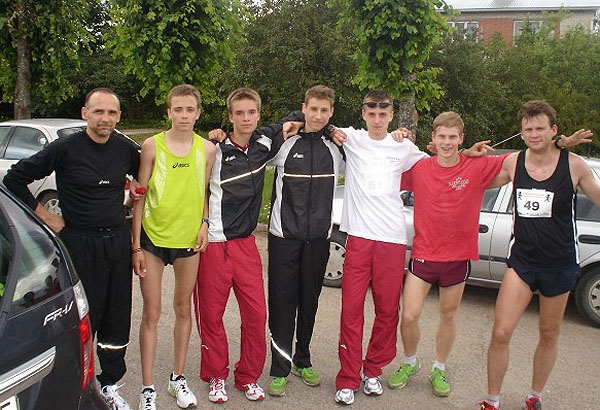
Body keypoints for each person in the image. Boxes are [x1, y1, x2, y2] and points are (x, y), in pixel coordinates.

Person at [3, 88, 140, 410]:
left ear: (119, 116)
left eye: (111, 113)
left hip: (117, 242)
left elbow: (149, 171)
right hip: (79, 242)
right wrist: (48, 218)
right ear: (84, 113)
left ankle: (110, 384)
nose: (105, 118)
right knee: (84, 317)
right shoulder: (65, 148)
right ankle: (80, 387)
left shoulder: (124, 149)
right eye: (98, 111)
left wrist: (134, 192)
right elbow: (14, 179)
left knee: (117, 317)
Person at [479, 100, 598, 410]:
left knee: (548, 332)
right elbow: (477, 183)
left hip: (559, 263)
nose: (534, 134)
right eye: (528, 129)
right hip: (522, 262)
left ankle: (534, 396)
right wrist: (464, 155)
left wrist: (563, 145)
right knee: (501, 332)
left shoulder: (574, 166)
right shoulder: (513, 163)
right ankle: (492, 400)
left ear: (553, 130)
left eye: (540, 129)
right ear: (521, 133)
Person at [387, 112, 508, 399]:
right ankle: (410, 361)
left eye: (452, 137)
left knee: (448, 315)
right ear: (433, 138)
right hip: (424, 254)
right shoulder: (420, 168)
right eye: (441, 136)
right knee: (409, 315)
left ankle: (439, 368)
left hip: (457, 257)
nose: (446, 142)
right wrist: (394, 140)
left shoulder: (475, 166)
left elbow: (516, 164)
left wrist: (558, 144)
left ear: (461, 138)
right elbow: (385, 170)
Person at [193, 88, 298, 403]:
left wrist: (321, 126)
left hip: (246, 245)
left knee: (256, 315)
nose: (246, 118)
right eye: (239, 113)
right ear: (230, 117)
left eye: (251, 112)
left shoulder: (264, 142)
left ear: (259, 114)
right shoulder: (214, 149)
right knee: (212, 316)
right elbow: (196, 189)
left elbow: (299, 115)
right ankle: (216, 375)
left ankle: (248, 376)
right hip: (215, 244)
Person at [330, 91, 428, 405]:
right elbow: (317, 122)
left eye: (382, 114)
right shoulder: (353, 139)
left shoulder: (403, 147)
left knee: (387, 310)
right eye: (371, 113)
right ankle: (348, 377)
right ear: (363, 114)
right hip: (359, 238)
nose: (376, 119)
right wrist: (330, 130)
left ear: (390, 115)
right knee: (351, 310)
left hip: (392, 240)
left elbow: (438, 166)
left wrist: (466, 155)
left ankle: (372, 370)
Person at [131, 84, 215, 410]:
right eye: (177, 109)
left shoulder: (207, 150)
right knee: (152, 312)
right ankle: (147, 388)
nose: (183, 115)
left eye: (189, 109)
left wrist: (205, 223)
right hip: (152, 239)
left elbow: (204, 191)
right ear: (168, 112)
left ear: (198, 113)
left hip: (188, 241)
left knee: (183, 309)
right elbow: (139, 196)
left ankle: (177, 379)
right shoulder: (152, 146)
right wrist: (136, 246)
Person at [266, 85, 344, 397]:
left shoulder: (336, 148)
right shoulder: (285, 142)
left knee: (309, 302)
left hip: (318, 240)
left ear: (332, 112)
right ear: (304, 108)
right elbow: (256, 139)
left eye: (325, 110)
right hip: (284, 238)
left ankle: (302, 359)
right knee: (282, 303)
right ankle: (279, 367)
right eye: (313, 109)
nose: (319, 115)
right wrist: (288, 122)